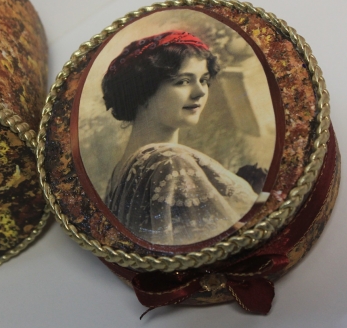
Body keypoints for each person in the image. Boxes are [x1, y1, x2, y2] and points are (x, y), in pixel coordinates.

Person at [102, 31, 258, 246]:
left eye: (204, 80)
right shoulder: (170, 162)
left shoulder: (121, 171)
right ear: (142, 89)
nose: (200, 92)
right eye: (183, 81)